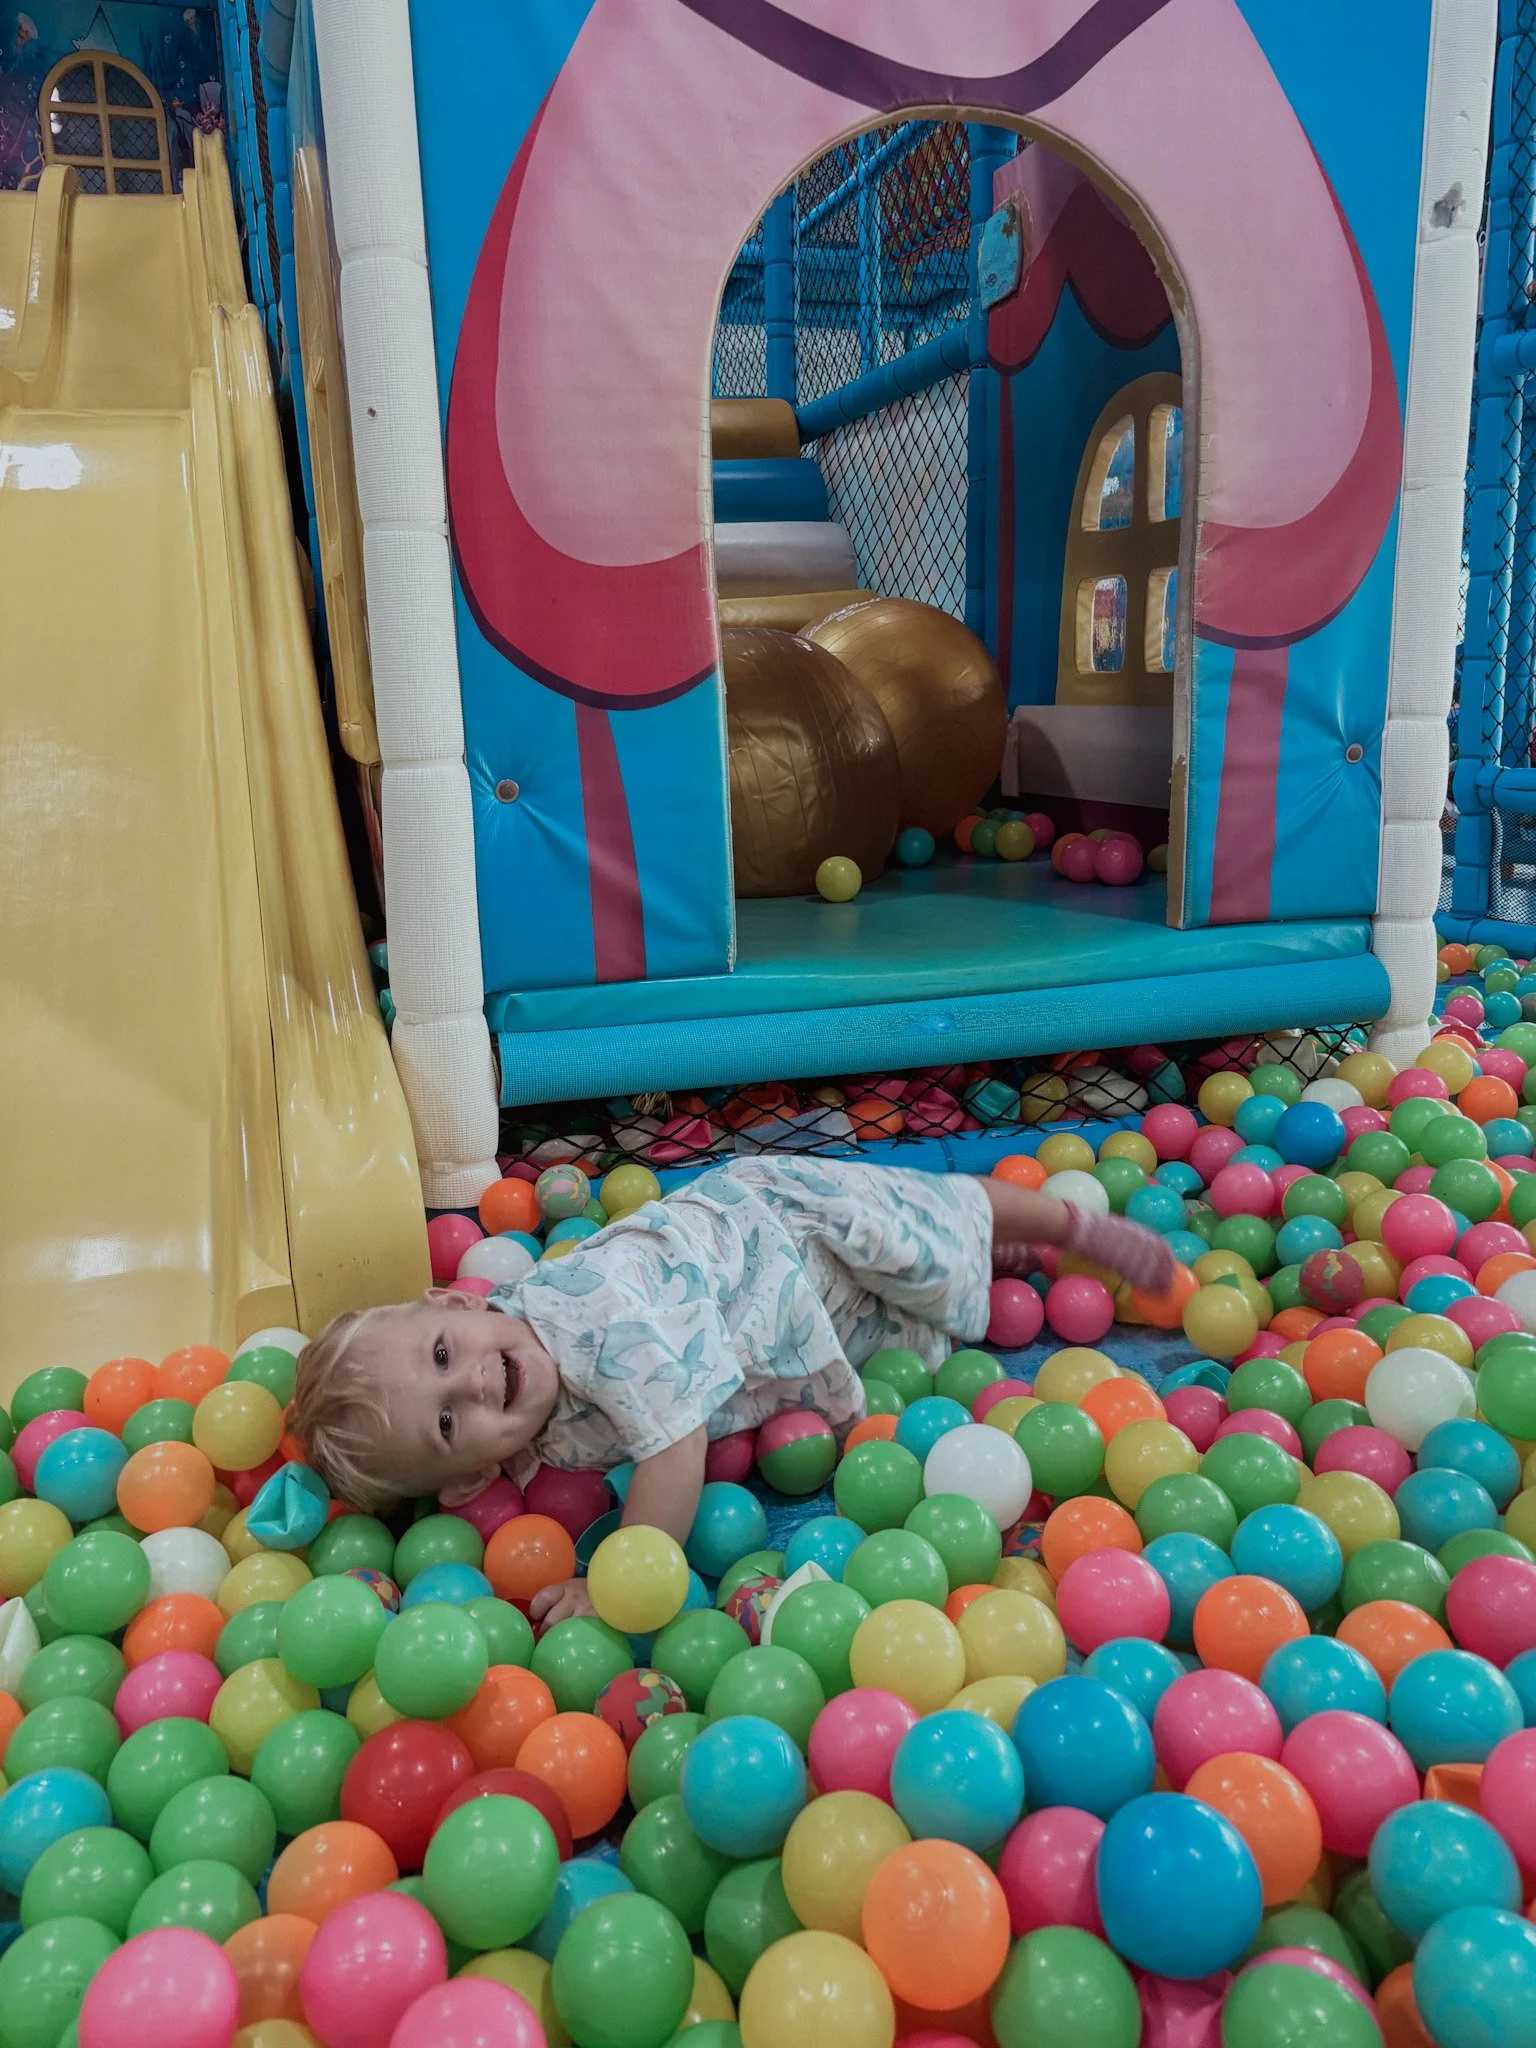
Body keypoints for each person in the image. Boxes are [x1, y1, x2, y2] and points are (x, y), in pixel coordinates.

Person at [289, 1156, 1172, 1623]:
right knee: (931, 1317)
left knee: (929, 1221)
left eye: (447, 1352)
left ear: (454, 1301)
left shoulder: (591, 1316)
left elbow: (675, 1448)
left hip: (783, 1225)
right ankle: (996, 1266)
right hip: (787, 1327)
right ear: (470, 1481)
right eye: (450, 1422)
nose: (478, 1383)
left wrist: (614, 1576)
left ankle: (1067, 1225)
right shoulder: (516, 1419)